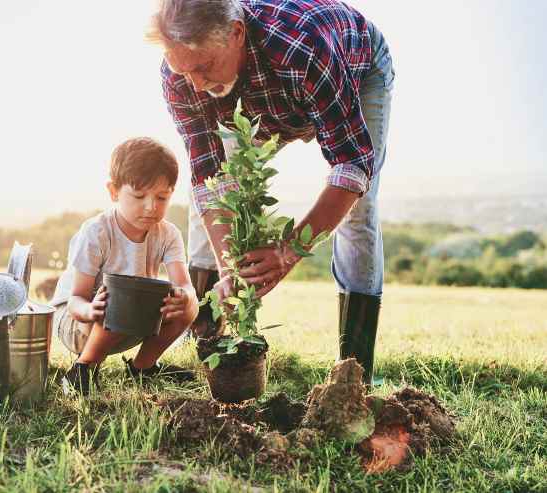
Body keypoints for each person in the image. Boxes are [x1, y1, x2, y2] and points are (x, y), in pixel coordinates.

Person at [149, 0, 394, 385]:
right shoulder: (182, 76)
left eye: (203, 66)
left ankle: (354, 370)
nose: (194, 83)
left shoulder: (304, 47)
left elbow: (352, 165)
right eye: (184, 70)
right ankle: (206, 342)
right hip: (264, 96)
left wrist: (288, 252)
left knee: (359, 210)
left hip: (351, 71)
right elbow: (208, 176)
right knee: (213, 197)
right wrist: (233, 268)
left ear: (236, 34)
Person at [51, 137, 199, 395]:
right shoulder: (97, 232)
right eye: (139, 196)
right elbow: (75, 300)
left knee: (191, 304)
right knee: (124, 299)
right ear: (114, 192)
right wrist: (90, 310)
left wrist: (183, 297)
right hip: (79, 323)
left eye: (162, 197)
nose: (151, 207)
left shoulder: (168, 234)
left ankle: (143, 367)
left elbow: (184, 284)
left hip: (130, 318)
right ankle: (82, 371)